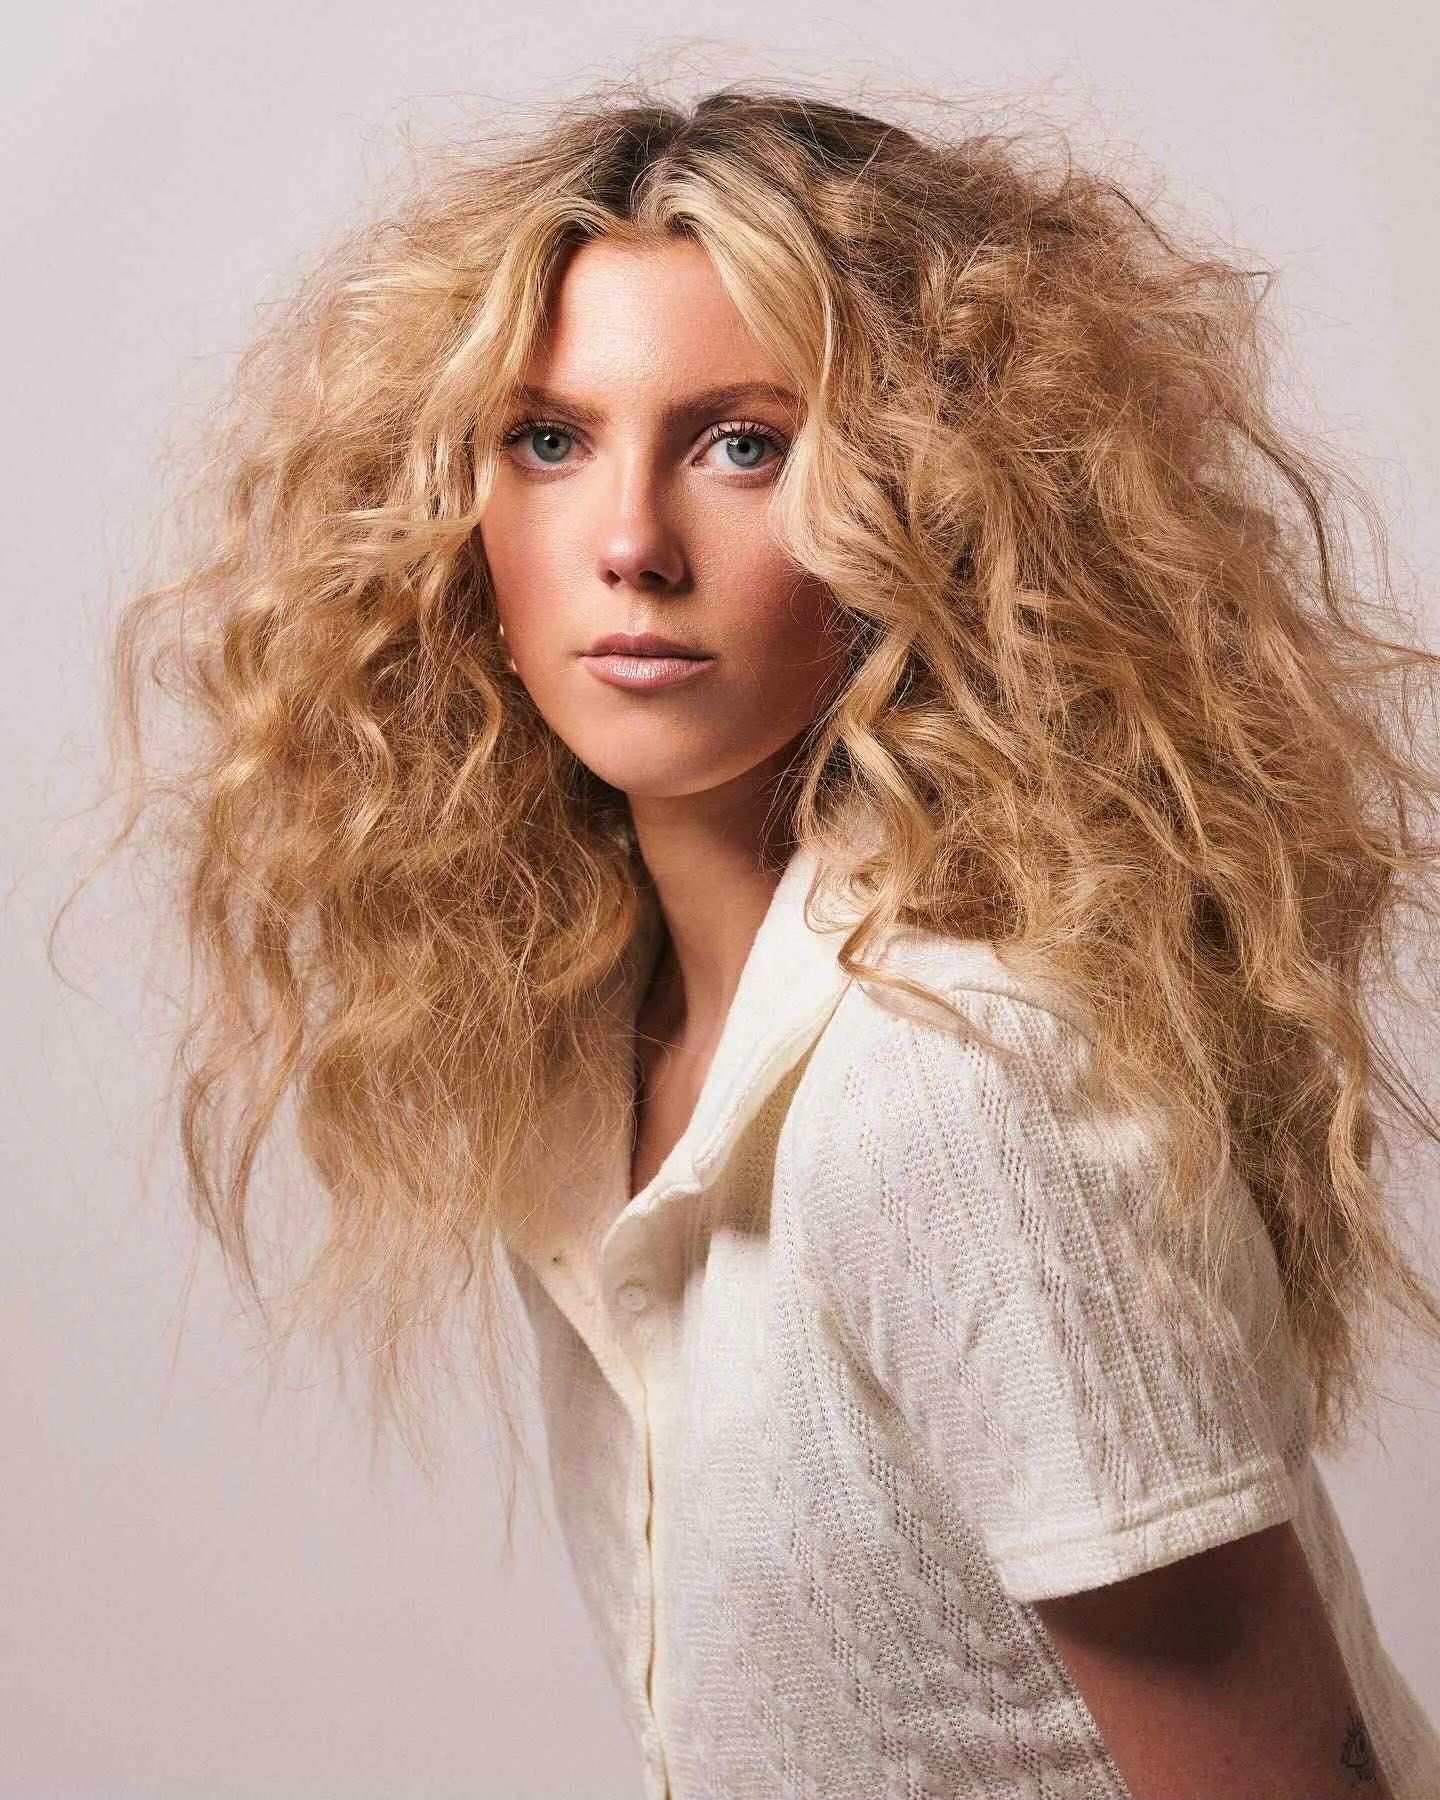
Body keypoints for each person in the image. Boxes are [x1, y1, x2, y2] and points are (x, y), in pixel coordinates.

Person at [93, 82, 1440, 1798]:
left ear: (923, 502)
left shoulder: (950, 1089)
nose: (631, 546)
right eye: (548, 441)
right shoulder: (604, 1051)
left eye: (742, 444)